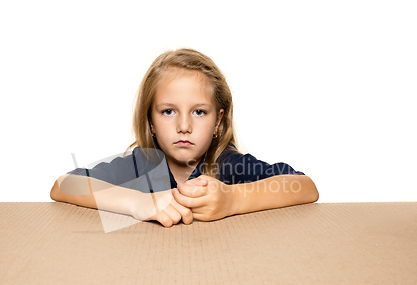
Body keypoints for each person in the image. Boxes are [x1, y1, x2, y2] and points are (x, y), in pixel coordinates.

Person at [50, 48, 319, 228]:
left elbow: (305, 186)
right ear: (150, 122)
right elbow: (64, 185)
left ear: (218, 121)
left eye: (199, 112)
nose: (184, 125)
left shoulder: (228, 164)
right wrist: (138, 202)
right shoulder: (142, 165)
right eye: (168, 111)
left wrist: (233, 199)